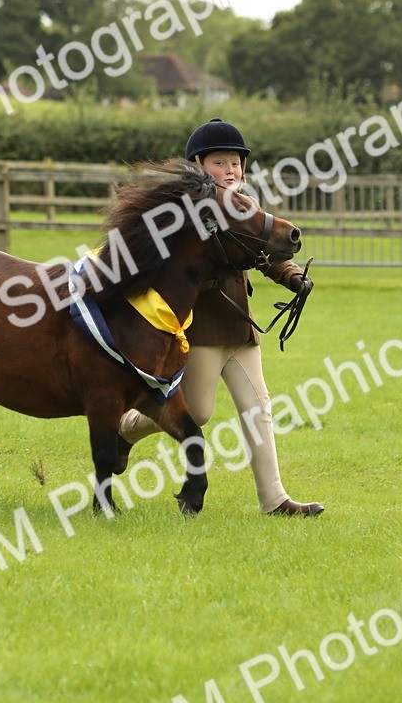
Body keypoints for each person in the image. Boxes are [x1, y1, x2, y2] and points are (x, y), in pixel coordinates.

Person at [116, 118, 325, 517]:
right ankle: (126, 428)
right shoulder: (181, 213)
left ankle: (274, 500)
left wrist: (292, 275)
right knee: (198, 412)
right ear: (198, 164)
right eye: (221, 162)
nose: (232, 171)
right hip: (200, 330)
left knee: (258, 407)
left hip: (240, 327)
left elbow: (262, 251)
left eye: (236, 163)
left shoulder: (245, 207)